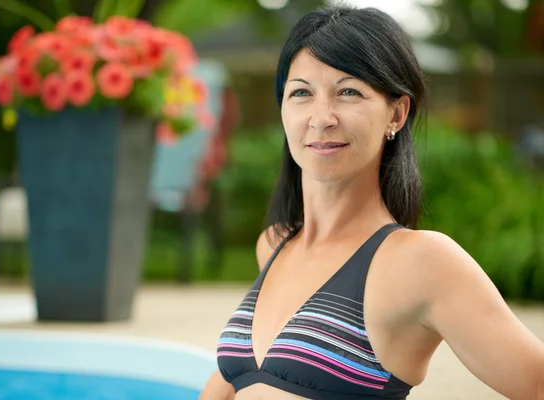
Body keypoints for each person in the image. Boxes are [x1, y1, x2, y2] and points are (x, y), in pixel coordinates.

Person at [200, 4, 544, 400]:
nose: (321, 117)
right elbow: (236, 379)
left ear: (396, 114)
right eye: (301, 93)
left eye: (348, 92)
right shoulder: (275, 245)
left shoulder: (420, 262)